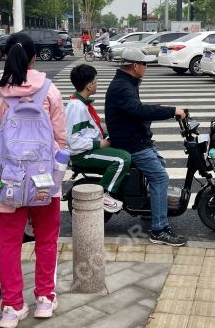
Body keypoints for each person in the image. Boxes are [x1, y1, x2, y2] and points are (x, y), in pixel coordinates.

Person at [0, 33, 66, 328]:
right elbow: (61, 138)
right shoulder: (49, 90)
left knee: (9, 243)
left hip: (10, 181)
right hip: (44, 178)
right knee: (46, 239)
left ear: (7, 56)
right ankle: (44, 299)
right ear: (34, 57)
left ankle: (12, 306)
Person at [104, 48, 187, 246]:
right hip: (131, 143)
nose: (146, 67)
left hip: (134, 138)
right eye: (145, 64)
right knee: (160, 177)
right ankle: (159, 229)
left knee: (159, 162)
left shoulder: (126, 82)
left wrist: (161, 112)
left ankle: (151, 208)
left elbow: (134, 110)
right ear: (135, 66)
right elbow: (137, 110)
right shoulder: (123, 86)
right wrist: (170, 111)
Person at [66, 64, 132, 213]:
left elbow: (89, 130)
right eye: (95, 81)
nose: (97, 84)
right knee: (122, 159)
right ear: (89, 86)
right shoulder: (77, 107)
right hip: (82, 154)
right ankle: (102, 195)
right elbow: (73, 141)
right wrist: (100, 143)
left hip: (90, 147)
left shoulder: (82, 104)